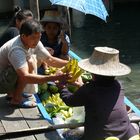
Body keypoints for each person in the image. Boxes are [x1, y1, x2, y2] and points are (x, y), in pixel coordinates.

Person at [58, 47, 139, 140]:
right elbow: (100, 95)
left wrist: (62, 88)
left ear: (93, 73)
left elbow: (69, 101)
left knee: (68, 135)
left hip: (102, 136)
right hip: (126, 134)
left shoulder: (89, 89)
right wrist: (81, 85)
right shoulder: (119, 85)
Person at [0, 19, 70, 108]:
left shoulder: (34, 42)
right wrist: (55, 77)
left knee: (31, 60)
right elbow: (25, 76)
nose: (37, 41)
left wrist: (69, 64)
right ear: (23, 36)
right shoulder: (16, 49)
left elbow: (50, 59)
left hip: (7, 76)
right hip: (1, 83)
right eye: (33, 38)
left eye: (39, 37)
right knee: (29, 62)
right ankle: (16, 99)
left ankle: (13, 94)